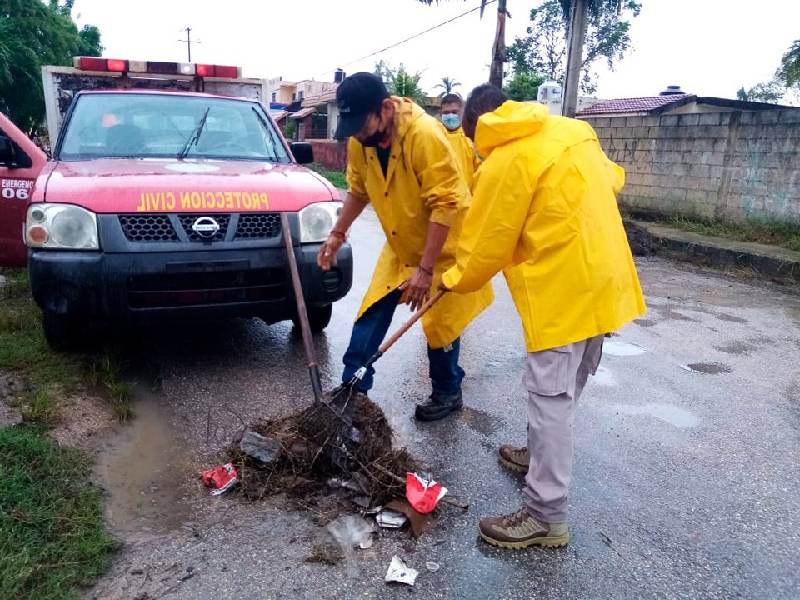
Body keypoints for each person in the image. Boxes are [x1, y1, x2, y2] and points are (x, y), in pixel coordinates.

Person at [441, 85, 646, 549]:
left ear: (479, 127)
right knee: (568, 385)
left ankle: (544, 515)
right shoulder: (576, 131)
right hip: (607, 281)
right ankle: (535, 454)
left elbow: (484, 245)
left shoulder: (507, 159)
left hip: (563, 293)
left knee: (549, 397)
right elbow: (613, 180)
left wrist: (450, 280)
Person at [317, 73, 493, 421]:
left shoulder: (424, 135)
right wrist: (337, 233)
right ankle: (353, 391)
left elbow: (445, 204)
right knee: (371, 314)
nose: (358, 135)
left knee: (440, 326)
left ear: (385, 108)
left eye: (361, 125)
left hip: (443, 247)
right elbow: (358, 189)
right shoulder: (361, 139)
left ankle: (447, 391)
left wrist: (426, 270)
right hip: (401, 245)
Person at [438, 93, 479, 189]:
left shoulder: (471, 138)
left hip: (468, 198)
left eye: (454, 112)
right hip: (440, 198)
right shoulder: (433, 136)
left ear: (462, 112)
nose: (450, 115)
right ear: (440, 113)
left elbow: (480, 171)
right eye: (446, 113)